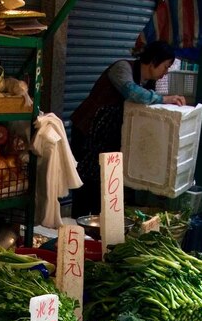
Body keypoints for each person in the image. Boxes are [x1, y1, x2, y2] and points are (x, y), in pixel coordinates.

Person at [69, 41, 187, 217]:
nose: (166, 72)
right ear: (154, 61)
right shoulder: (122, 68)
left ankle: (96, 225)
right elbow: (132, 92)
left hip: (109, 139)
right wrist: (164, 99)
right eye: (166, 66)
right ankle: (79, 224)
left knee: (104, 187)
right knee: (85, 185)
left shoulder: (149, 82)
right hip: (88, 132)